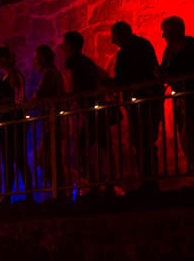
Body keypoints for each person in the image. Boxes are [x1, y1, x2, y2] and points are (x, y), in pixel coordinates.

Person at [107, 21, 163, 190]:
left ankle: (149, 180)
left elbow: (125, 77)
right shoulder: (142, 45)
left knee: (142, 140)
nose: (112, 40)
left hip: (141, 101)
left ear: (121, 34)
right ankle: (149, 179)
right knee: (144, 141)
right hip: (147, 99)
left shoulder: (128, 51)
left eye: (114, 36)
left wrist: (111, 84)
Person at [61, 30, 109, 194]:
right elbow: (104, 74)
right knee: (99, 146)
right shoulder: (87, 61)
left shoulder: (71, 61)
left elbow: (70, 86)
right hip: (97, 107)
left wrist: (70, 102)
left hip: (84, 108)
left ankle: (91, 183)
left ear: (71, 46)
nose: (62, 46)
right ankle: (103, 183)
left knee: (80, 148)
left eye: (65, 43)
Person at [0, 46, 33, 205]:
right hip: (8, 121)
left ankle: (16, 196)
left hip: (12, 122)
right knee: (11, 160)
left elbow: (17, 98)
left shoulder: (14, 76)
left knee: (15, 159)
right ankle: (13, 195)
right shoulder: (7, 76)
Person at [161, 16, 194, 166]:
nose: (163, 36)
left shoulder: (191, 47)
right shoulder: (169, 51)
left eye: (165, 32)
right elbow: (165, 69)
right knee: (184, 135)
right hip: (180, 99)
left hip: (191, 97)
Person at [34, 44, 66, 192]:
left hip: (53, 121)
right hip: (55, 120)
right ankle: (59, 190)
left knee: (44, 157)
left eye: (37, 58)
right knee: (53, 157)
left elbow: (38, 96)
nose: (35, 61)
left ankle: (58, 190)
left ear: (43, 58)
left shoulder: (49, 74)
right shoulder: (55, 73)